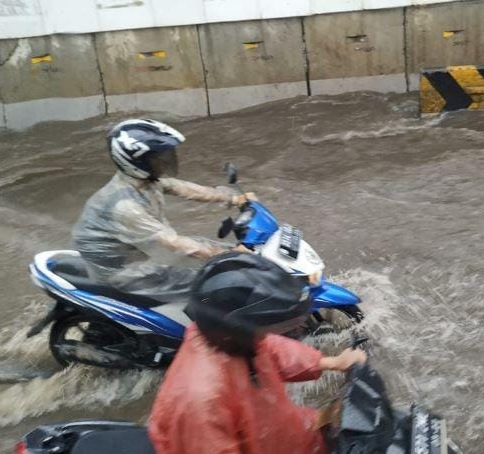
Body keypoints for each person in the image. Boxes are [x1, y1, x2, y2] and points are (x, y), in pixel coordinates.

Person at [148, 253, 367, 454]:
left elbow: (274, 350)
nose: (266, 335)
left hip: (291, 435)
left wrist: (332, 362)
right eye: (262, 330)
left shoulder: (230, 340)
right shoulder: (199, 401)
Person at [72, 118, 255, 300]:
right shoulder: (127, 208)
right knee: (214, 286)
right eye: (158, 157)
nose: (166, 161)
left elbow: (181, 187)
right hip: (127, 273)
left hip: (139, 251)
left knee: (224, 254)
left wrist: (234, 198)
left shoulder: (144, 181)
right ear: (137, 162)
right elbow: (172, 243)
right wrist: (226, 256)